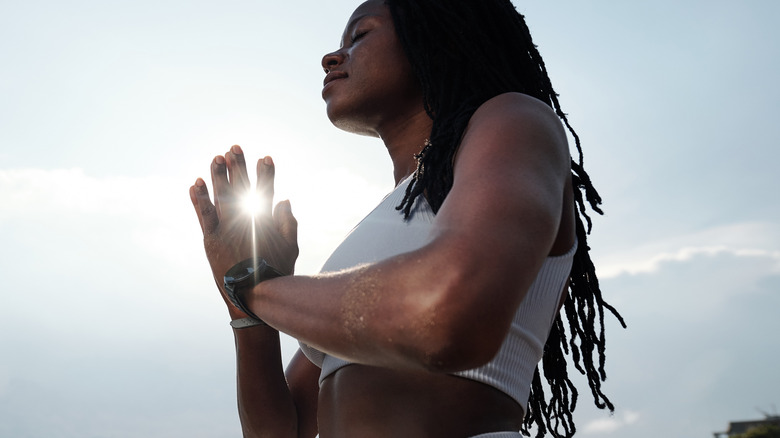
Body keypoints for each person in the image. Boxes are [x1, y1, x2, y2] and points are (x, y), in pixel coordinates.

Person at [189, 0, 625, 436]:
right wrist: (247, 314)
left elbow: (444, 313)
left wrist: (253, 285)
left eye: (359, 36)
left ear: (437, 39)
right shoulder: (381, 225)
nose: (331, 57)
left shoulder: (514, 121)